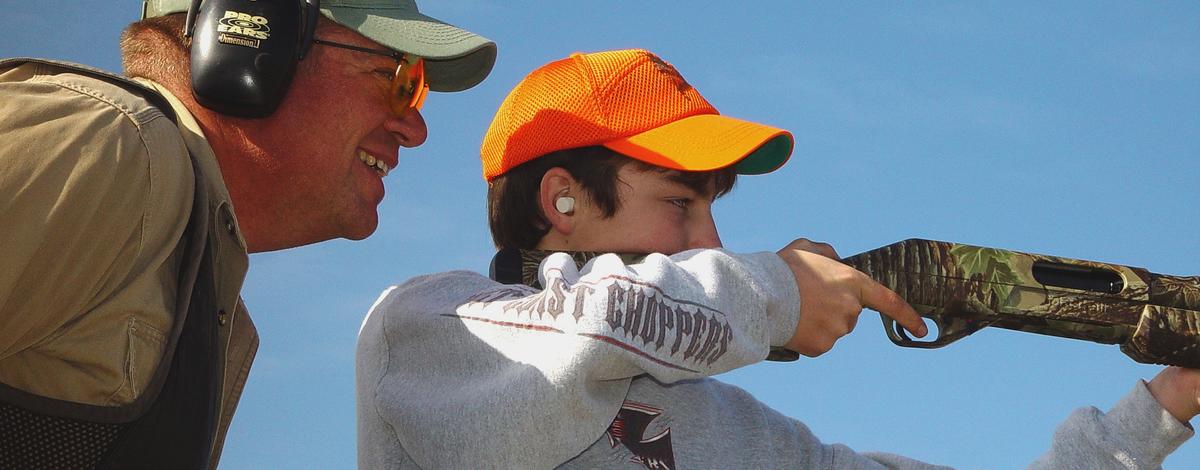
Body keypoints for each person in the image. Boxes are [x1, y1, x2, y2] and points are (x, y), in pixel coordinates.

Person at [356, 49, 1197, 469]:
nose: (711, 241)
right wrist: (779, 293)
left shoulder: (737, 434)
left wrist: (1157, 410)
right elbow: (601, 321)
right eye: (680, 204)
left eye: (715, 209)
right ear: (562, 201)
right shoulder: (434, 333)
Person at [0, 0, 494, 468]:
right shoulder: (114, 150)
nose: (416, 128)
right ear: (248, 37)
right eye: (396, 78)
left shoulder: (194, 267)